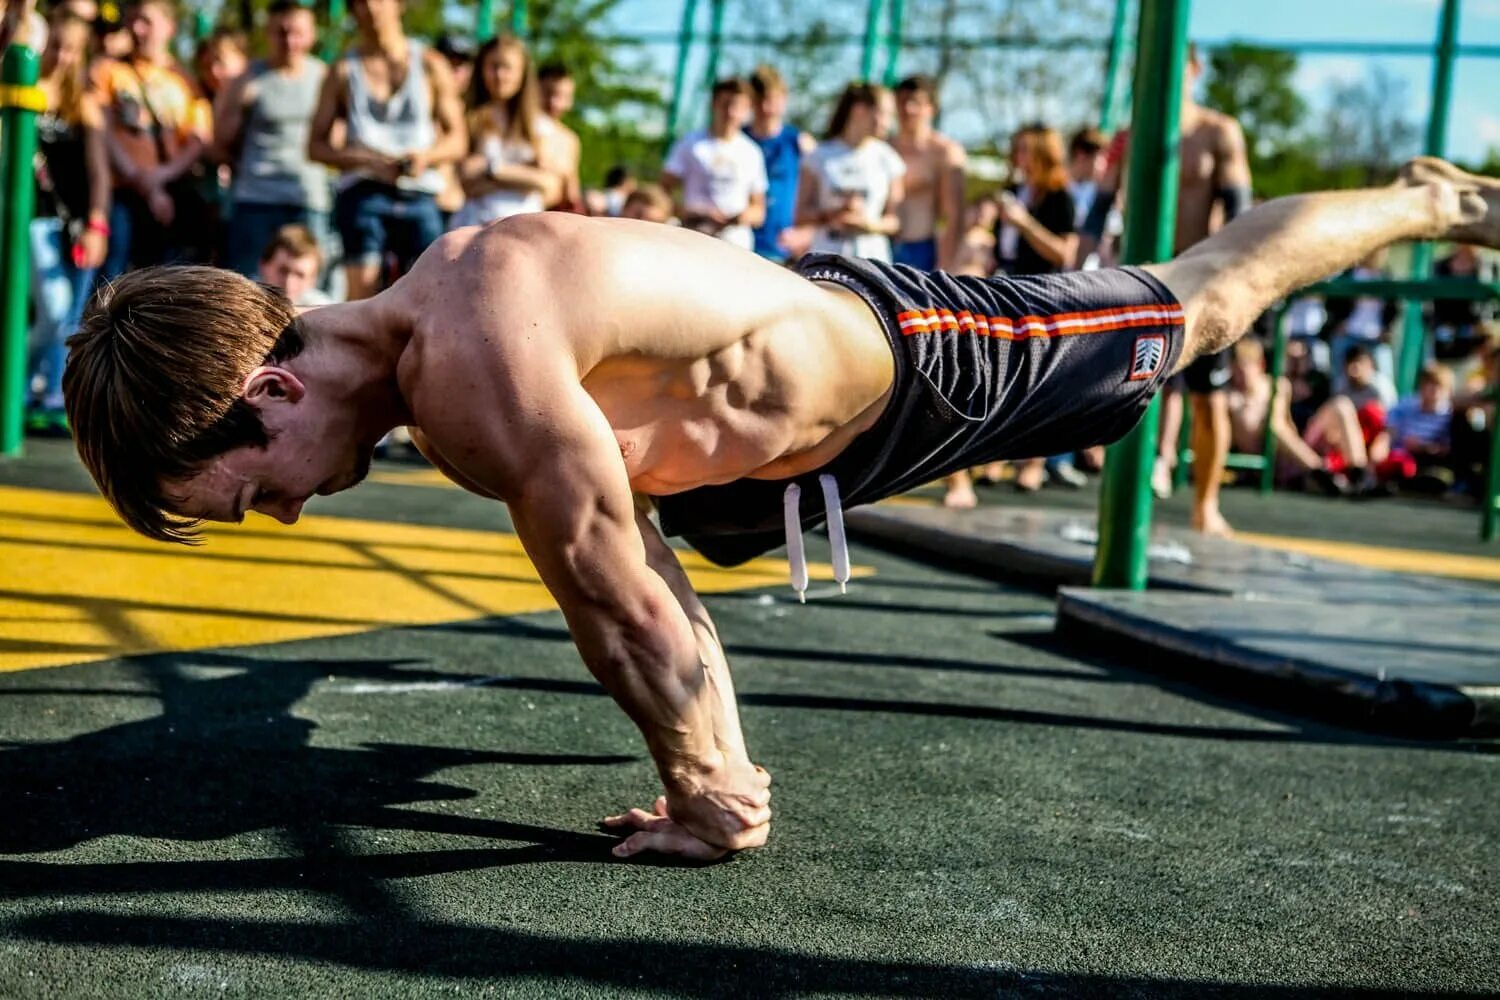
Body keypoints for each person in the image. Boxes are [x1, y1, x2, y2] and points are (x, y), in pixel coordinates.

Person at [62, 156, 1500, 859]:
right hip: (746, 473)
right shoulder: (433, 386)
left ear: (266, 396)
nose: (283, 520)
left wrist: (709, 794)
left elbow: (622, 601)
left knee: (1203, 306)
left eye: (245, 497)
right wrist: (714, 777)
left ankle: (1423, 198)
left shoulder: (475, 358)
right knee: (625, 528)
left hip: (915, 366)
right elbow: (625, 568)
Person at [1090, 47, 1252, 536]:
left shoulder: (1217, 132)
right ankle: (1121, 500)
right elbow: (1098, 210)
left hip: (1200, 281)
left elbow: (1240, 211)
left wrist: (1240, 279)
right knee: (1119, 391)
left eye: (1175, 64)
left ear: (1194, 70)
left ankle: (1206, 504)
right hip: (1139, 281)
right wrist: (1076, 263)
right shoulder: (1129, 136)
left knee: (1208, 399)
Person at [307, 0, 466, 301]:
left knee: (431, 296)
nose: (371, 8)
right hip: (362, 191)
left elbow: (458, 139)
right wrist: (368, 161)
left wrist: (426, 157)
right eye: (361, 3)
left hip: (419, 192)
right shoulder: (343, 68)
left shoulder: (431, 63)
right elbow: (315, 146)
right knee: (361, 299)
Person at [25, 11, 110, 433]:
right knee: (54, 307)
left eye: (72, 49)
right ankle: (23, 380)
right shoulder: (23, 91)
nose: (62, 56)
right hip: (35, 216)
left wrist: (98, 224)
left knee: (70, 314)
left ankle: (50, 392)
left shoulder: (85, 103)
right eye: (56, 46)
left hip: (75, 223)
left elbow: (99, 173)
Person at [995, 125, 1085, 495]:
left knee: (1039, 383)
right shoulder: (1014, 191)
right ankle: (996, 457)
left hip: (1043, 296)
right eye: (1017, 150)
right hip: (1006, 290)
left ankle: (1033, 464)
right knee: (1002, 378)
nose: (1019, 158)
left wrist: (1024, 223)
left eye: (1026, 151)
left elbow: (1065, 253)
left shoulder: (1059, 197)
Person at [90, 0, 210, 276]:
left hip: (172, 192)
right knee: (115, 279)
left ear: (169, 27)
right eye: (132, 20)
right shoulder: (108, 71)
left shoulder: (185, 81)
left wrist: (161, 177)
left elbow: (197, 139)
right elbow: (101, 130)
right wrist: (142, 180)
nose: (136, 28)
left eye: (146, 21)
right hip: (124, 191)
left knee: (168, 279)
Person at [213, 0, 330, 279]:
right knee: (246, 287)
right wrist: (240, 107)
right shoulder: (246, 78)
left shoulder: (324, 76)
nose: (289, 41)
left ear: (311, 35)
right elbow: (220, 142)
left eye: (297, 33)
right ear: (269, 32)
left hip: (308, 198)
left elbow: (334, 140)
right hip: (256, 198)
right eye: (281, 32)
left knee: (309, 289)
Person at [451, 34, 561, 229]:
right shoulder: (470, 117)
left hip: (526, 226)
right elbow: (466, 180)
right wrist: (522, 177)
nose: (500, 75)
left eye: (507, 67)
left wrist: (492, 169)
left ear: (522, 73)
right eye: (493, 66)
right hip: (477, 225)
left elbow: (548, 184)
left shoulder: (539, 125)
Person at [797, 82, 904, 262]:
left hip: (873, 262)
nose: (888, 123)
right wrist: (833, 215)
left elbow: (896, 221)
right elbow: (800, 215)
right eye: (884, 114)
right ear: (859, 110)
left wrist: (868, 224)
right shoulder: (819, 156)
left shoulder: (888, 158)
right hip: (826, 259)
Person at [661, 78, 766, 252]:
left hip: (735, 245)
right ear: (713, 104)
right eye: (725, 104)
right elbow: (662, 192)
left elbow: (759, 210)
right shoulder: (690, 143)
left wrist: (738, 218)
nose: (731, 112)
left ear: (748, 110)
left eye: (738, 107)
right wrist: (691, 211)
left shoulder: (752, 151)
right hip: (693, 238)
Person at [890, 75, 965, 273]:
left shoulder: (944, 152)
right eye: (902, 101)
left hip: (923, 249)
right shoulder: (883, 148)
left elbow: (953, 214)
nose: (908, 109)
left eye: (916, 102)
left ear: (931, 109)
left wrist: (945, 267)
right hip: (880, 245)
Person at [744, 64, 814, 263]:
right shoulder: (738, 143)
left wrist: (806, 232)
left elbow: (821, 195)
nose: (766, 108)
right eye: (759, 101)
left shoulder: (800, 143)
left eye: (771, 100)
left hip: (784, 250)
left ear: (784, 99)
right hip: (741, 245)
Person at [537, 62, 582, 211]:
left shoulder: (570, 140)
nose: (554, 103)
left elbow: (572, 193)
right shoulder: (519, 129)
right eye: (548, 93)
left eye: (563, 96)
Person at [257, 223, 332, 307]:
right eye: (283, 270)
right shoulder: (243, 301)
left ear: (313, 279)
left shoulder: (324, 308)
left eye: (300, 275)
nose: (288, 283)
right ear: (263, 266)